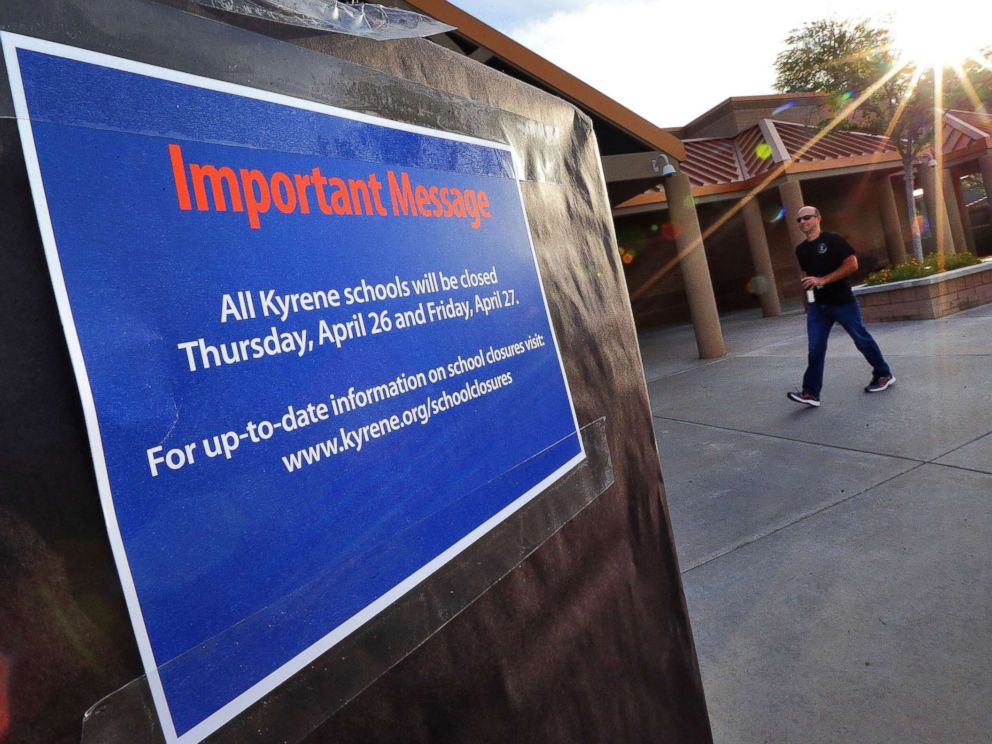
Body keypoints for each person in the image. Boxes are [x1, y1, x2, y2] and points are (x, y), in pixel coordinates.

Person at [787, 206, 894, 407]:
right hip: (818, 307)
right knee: (815, 349)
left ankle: (884, 374)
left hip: (842, 301)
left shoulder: (833, 240)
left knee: (861, 339)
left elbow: (852, 264)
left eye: (806, 218)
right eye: (799, 220)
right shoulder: (801, 250)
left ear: (818, 218)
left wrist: (823, 280)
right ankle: (810, 393)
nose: (802, 222)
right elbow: (807, 276)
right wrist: (809, 300)